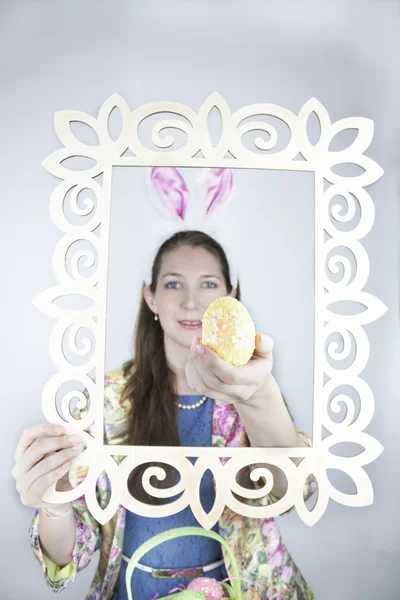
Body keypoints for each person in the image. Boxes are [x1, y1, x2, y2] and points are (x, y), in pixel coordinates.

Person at [13, 173, 316, 600]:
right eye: (173, 284)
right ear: (151, 298)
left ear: (231, 295)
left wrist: (257, 395)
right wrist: (53, 503)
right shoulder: (104, 399)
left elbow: (295, 493)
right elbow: (69, 553)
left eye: (208, 284)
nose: (191, 301)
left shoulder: (249, 389)